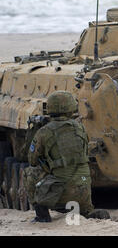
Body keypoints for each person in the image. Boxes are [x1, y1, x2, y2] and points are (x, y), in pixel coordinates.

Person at [24, 91, 110, 222]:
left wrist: (34, 130)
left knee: (29, 173)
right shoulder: (80, 128)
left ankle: (42, 215)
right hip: (83, 188)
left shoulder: (44, 131)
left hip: (60, 191)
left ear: (50, 108)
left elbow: (32, 160)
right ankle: (87, 211)